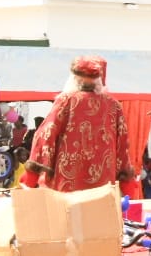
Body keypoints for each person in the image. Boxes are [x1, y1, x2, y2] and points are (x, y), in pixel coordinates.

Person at [21, 57, 138, 196]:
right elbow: (123, 146)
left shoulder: (66, 100)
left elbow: (45, 136)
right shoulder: (114, 105)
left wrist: (31, 175)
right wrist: (126, 183)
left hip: (67, 186)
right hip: (103, 189)